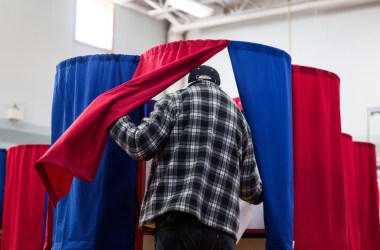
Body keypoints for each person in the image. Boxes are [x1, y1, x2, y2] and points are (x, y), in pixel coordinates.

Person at [109, 65, 263, 250]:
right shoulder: (240, 120)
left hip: (179, 222)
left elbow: (140, 145)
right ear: (218, 85)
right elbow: (251, 191)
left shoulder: (175, 100)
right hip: (222, 233)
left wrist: (113, 117)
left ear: (191, 82)